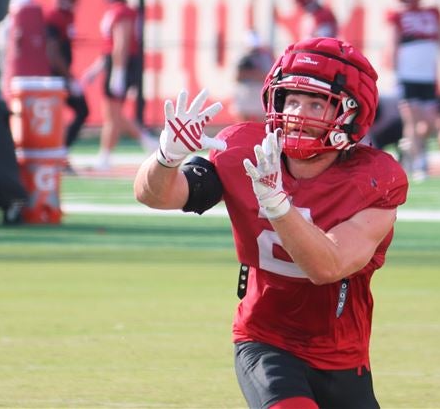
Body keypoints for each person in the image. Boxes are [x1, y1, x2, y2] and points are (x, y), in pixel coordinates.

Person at [134, 37, 406, 409]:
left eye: (316, 103)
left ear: (350, 114)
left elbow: (328, 266)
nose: (297, 113)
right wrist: (166, 158)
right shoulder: (245, 152)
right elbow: (157, 195)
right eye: (292, 100)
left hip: (342, 352)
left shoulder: (374, 179)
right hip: (266, 338)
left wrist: (277, 205)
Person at [79, 0, 155, 170]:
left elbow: (121, 44)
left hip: (122, 64)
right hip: (116, 63)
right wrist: (96, 69)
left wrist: (118, 72)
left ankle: (105, 157)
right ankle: (147, 142)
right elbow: (111, 47)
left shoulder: (122, 12)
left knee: (112, 114)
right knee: (113, 114)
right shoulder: (118, 11)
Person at [388, 0, 440, 182]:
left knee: (431, 121)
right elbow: (393, 45)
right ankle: (419, 163)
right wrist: (395, 73)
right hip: (409, 75)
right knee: (412, 120)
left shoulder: (433, 13)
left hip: (428, 75)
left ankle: (408, 148)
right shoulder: (398, 16)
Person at [44, 0, 89, 163]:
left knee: (75, 111)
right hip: (53, 77)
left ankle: (59, 152)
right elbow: (53, 53)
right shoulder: (54, 17)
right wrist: (69, 78)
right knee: (78, 110)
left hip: (58, 76)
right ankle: (58, 153)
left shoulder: (65, 16)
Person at [0, 0, 33, 95]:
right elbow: (8, 54)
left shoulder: (31, 28)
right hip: (11, 80)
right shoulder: (4, 28)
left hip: (29, 81)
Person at [232, 30, 275, 122]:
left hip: (258, 91)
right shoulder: (241, 56)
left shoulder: (264, 57)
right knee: (242, 122)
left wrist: (250, 73)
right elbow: (236, 77)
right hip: (244, 92)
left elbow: (267, 77)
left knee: (261, 122)